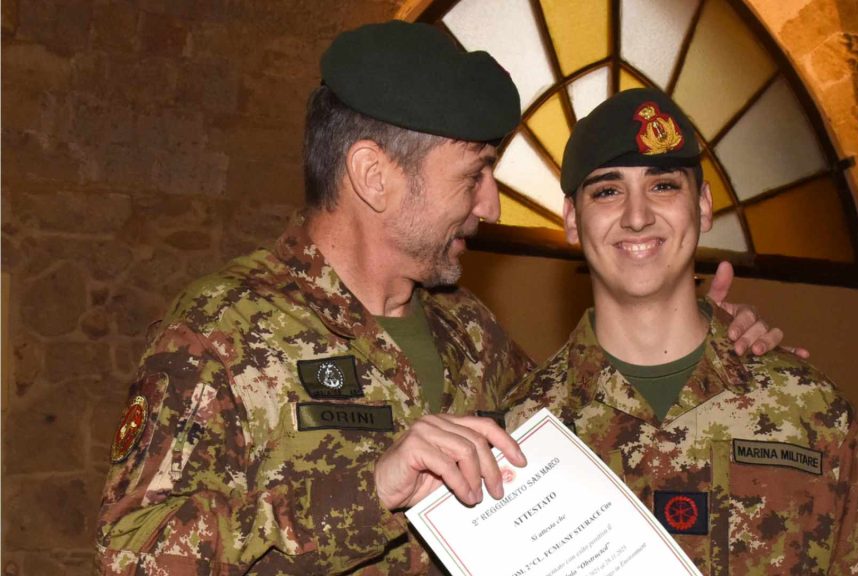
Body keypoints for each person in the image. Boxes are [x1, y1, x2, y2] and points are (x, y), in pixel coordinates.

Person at [94, 22, 788, 575]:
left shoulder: (471, 335)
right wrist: (370, 492)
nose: (490, 205)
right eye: (473, 175)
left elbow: (587, 427)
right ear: (374, 175)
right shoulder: (223, 331)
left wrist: (698, 342)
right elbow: (132, 555)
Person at [506, 87, 858, 575]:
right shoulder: (520, 433)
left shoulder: (811, 412)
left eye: (663, 186)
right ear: (572, 219)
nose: (637, 217)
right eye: (608, 191)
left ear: (703, 206)